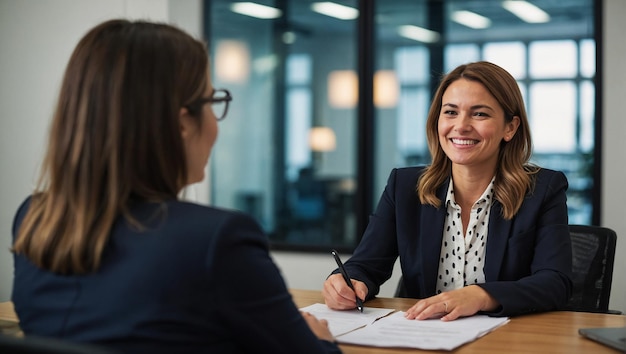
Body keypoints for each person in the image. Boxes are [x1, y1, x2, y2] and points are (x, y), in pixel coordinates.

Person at [11, 19, 341, 354]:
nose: (216, 125)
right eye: (213, 103)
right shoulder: (215, 241)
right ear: (183, 123)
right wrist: (320, 341)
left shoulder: (34, 220)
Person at [322, 61, 573, 321]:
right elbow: (365, 265)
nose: (461, 126)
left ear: (510, 127)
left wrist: (481, 295)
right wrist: (346, 282)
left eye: (480, 114)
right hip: (425, 336)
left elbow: (555, 283)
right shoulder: (405, 186)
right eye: (451, 112)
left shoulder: (542, 190)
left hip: (507, 340)